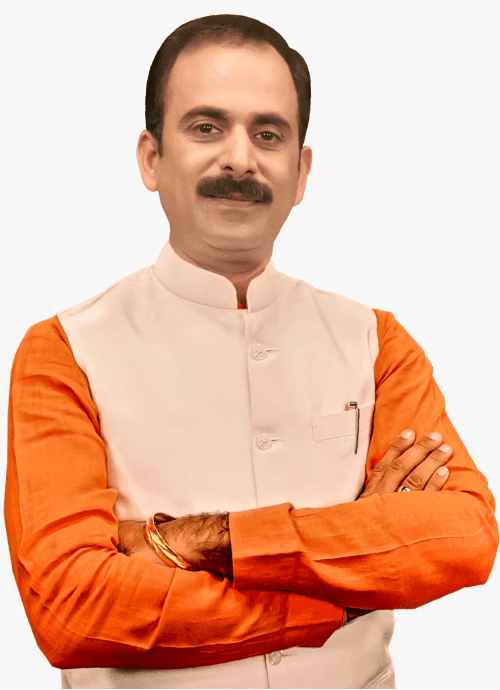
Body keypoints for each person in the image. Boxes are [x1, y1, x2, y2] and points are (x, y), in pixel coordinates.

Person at [4, 13, 498, 690]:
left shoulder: (376, 341)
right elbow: (73, 610)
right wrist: (348, 583)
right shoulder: (64, 352)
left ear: (301, 172)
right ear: (151, 158)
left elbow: (463, 536)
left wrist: (197, 539)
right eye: (207, 127)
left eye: (268, 134)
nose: (240, 159)